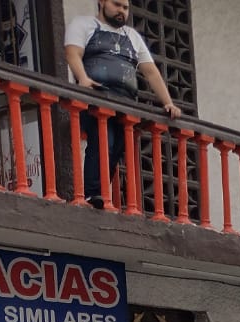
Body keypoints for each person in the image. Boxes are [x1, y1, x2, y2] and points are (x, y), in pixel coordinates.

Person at [65, 0, 182, 209]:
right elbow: (73, 53)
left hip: (125, 102)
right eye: (117, 5)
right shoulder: (84, 24)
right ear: (101, 2)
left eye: (125, 8)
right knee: (103, 142)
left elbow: (150, 71)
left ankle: (100, 192)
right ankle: (92, 193)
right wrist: (82, 78)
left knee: (117, 148)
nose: (122, 11)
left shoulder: (132, 36)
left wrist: (168, 103)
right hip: (97, 96)